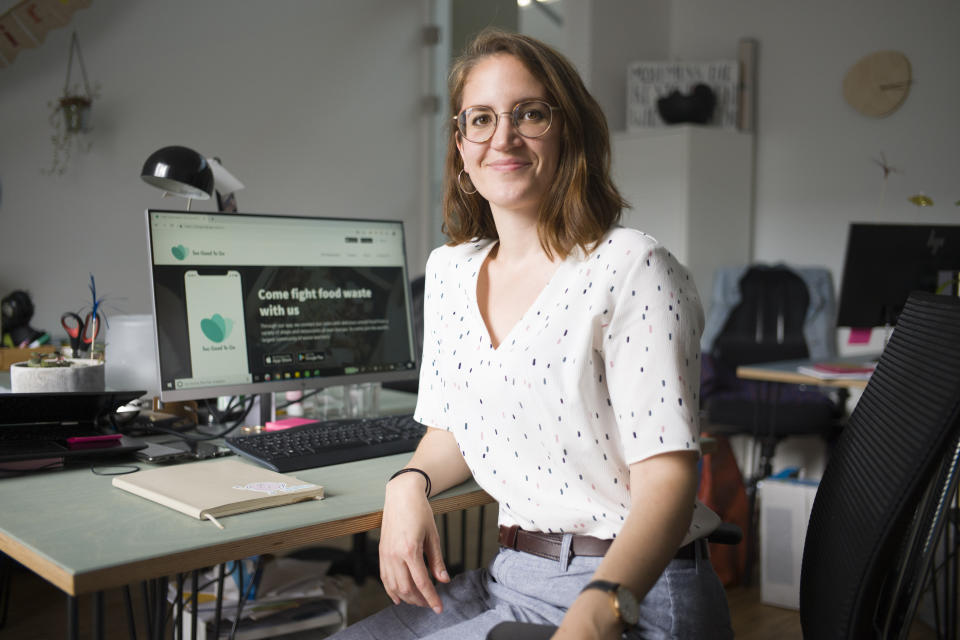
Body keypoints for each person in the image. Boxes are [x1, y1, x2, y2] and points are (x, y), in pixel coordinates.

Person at [331, 28, 732, 640]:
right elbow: (452, 428)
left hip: (633, 590)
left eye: (530, 114)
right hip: (513, 578)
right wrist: (407, 485)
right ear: (461, 147)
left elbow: (669, 479)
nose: (504, 137)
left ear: (568, 131)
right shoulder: (449, 271)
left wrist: (597, 612)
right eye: (481, 119)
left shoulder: (630, 266)